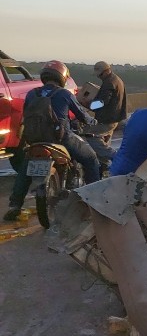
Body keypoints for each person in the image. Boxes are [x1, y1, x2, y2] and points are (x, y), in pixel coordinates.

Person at [4, 61, 100, 221]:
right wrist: (92, 121)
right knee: (91, 159)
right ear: (62, 76)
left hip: (36, 140)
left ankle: (15, 205)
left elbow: (25, 115)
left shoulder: (31, 94)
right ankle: (95, 203)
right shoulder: (64, 94)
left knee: (25, 169)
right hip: (61, 139)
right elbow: (82, 115)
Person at [84, 61, 128, 173]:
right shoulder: (116, 80)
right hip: (114, 118)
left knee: (90, 136)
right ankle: (104, 168)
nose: (99, 77)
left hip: (107, 120)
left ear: (107, 71)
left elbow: (102, 102)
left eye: (100, 74)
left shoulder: (109, 83)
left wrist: (89, 105)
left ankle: (116, 156)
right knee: (103, 142)